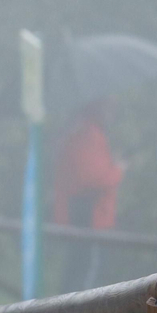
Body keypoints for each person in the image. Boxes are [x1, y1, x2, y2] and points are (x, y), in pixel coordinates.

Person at [52, 98, 122, 295]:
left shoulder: (82, 132)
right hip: (91, 216)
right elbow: (93, 179)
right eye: (109, 107)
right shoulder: (89, 135)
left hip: (85, 214)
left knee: (79, 269)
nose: (113, 113)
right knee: (86, 275)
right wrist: (118, 169)